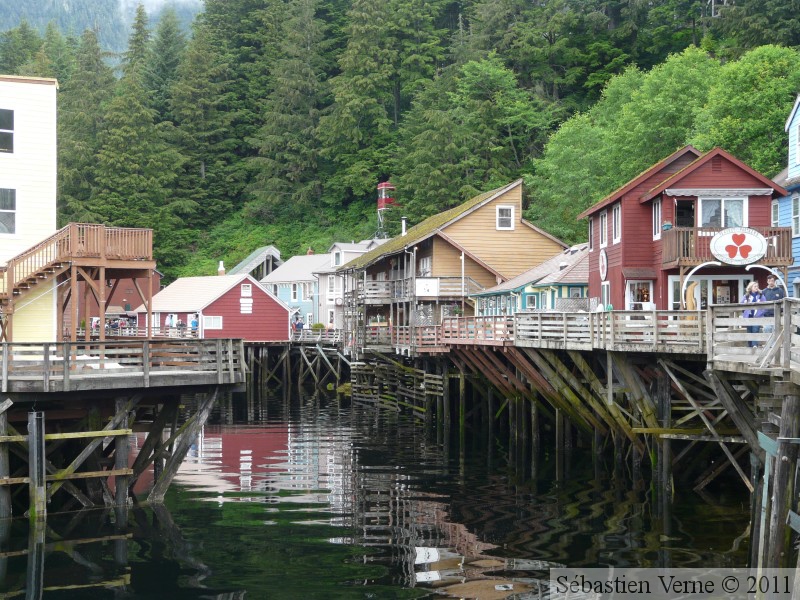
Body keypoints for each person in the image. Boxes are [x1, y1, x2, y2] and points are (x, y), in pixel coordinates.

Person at [741, 281, 766, 347]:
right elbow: (741, 304)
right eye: (755, 286)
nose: (756, 288)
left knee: (755, 330)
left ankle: (754, 345)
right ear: (751, 287)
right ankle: (750, 346)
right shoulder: (746, 296)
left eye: (757, 286)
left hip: (757, 316)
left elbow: (766, 305)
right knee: (749, 331)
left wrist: (761, 313)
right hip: (749, 316)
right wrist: (745, 305)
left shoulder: (761, 296)